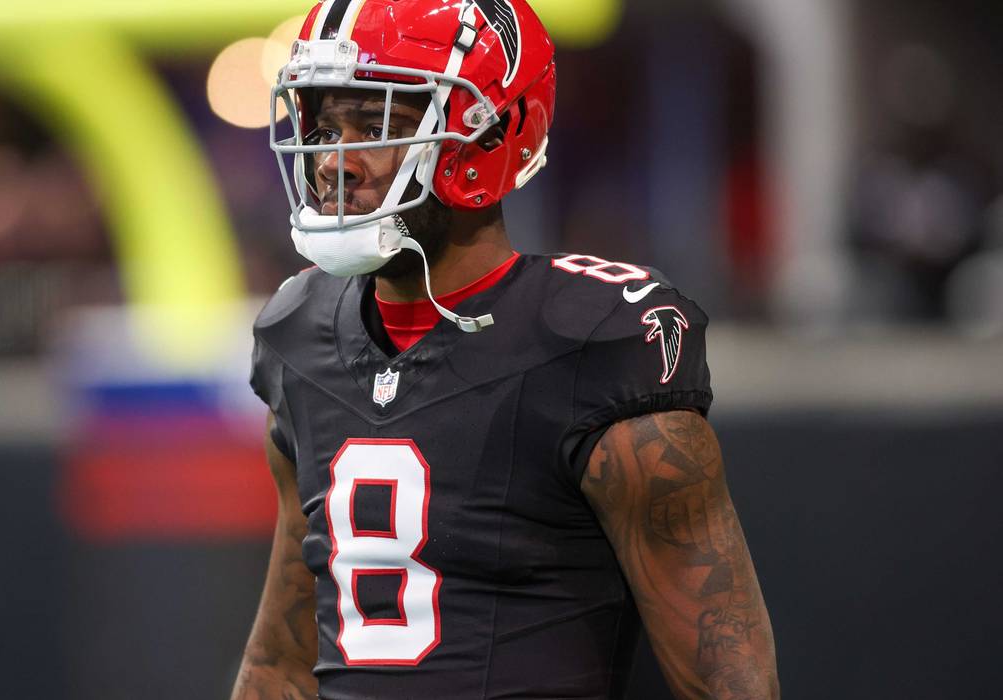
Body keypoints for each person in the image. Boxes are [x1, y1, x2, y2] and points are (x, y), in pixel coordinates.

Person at [234, 1, 779, 698]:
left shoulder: (593, 340)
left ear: (488, 137)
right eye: (324, 125)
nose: (336, 161)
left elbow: (725, 676)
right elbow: (280, 661)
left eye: (377, 125)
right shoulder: (298, 335)